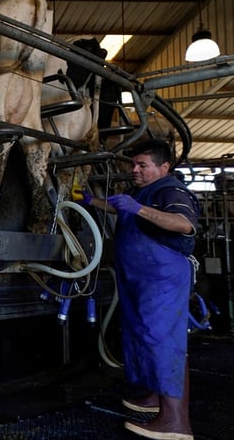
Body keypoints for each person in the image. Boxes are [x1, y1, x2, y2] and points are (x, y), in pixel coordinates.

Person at [78, 138, 199, 440]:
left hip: (162, 279)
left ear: (164, 167)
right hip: (139, 279)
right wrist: (92, 202)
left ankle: (176, 422)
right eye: (133, 164)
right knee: (141, 336)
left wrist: (140, 209)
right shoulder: (140, 191)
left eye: (142, 165)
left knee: (162, 340)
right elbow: (123, 208)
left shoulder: (170, 190)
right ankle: (155, 397)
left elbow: (183, 223)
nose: (134, 170)